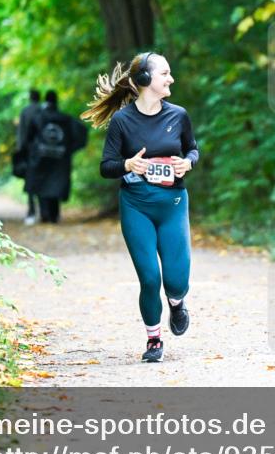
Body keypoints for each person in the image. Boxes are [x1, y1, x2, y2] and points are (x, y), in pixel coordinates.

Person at [83, 53, 199, 363]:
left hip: (173, 204)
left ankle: (176, 303)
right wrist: (127, 164)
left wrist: (187, 163)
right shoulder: (122, 121)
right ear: (146, 80)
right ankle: (154, 340)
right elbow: (106, 167)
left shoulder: (179, 116)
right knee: (149, 278)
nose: (171, 79)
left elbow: (192, 149)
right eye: (165, 73)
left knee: (176, 282)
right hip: (136, 206)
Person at [25, 90, 87, 224]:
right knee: (56, 185)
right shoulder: (66, 118)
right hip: (61, 159)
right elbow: (81, 133)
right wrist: (69, 149)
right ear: (56, 101)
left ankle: (45, 215)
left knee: (42, 185)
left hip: (41, 159)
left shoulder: (38, 118)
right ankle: (54, 215)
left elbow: (28, 138)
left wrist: (35, 151)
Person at [15, 89, 44, 225]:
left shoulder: (25, 111)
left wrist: (20, 148)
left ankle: (32, 210)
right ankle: (43, 210)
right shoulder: (43, 110)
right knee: (42, 179)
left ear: (30, 98)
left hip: (28, 150)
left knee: (29, 180)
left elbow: (21, 131)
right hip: (42, 151)